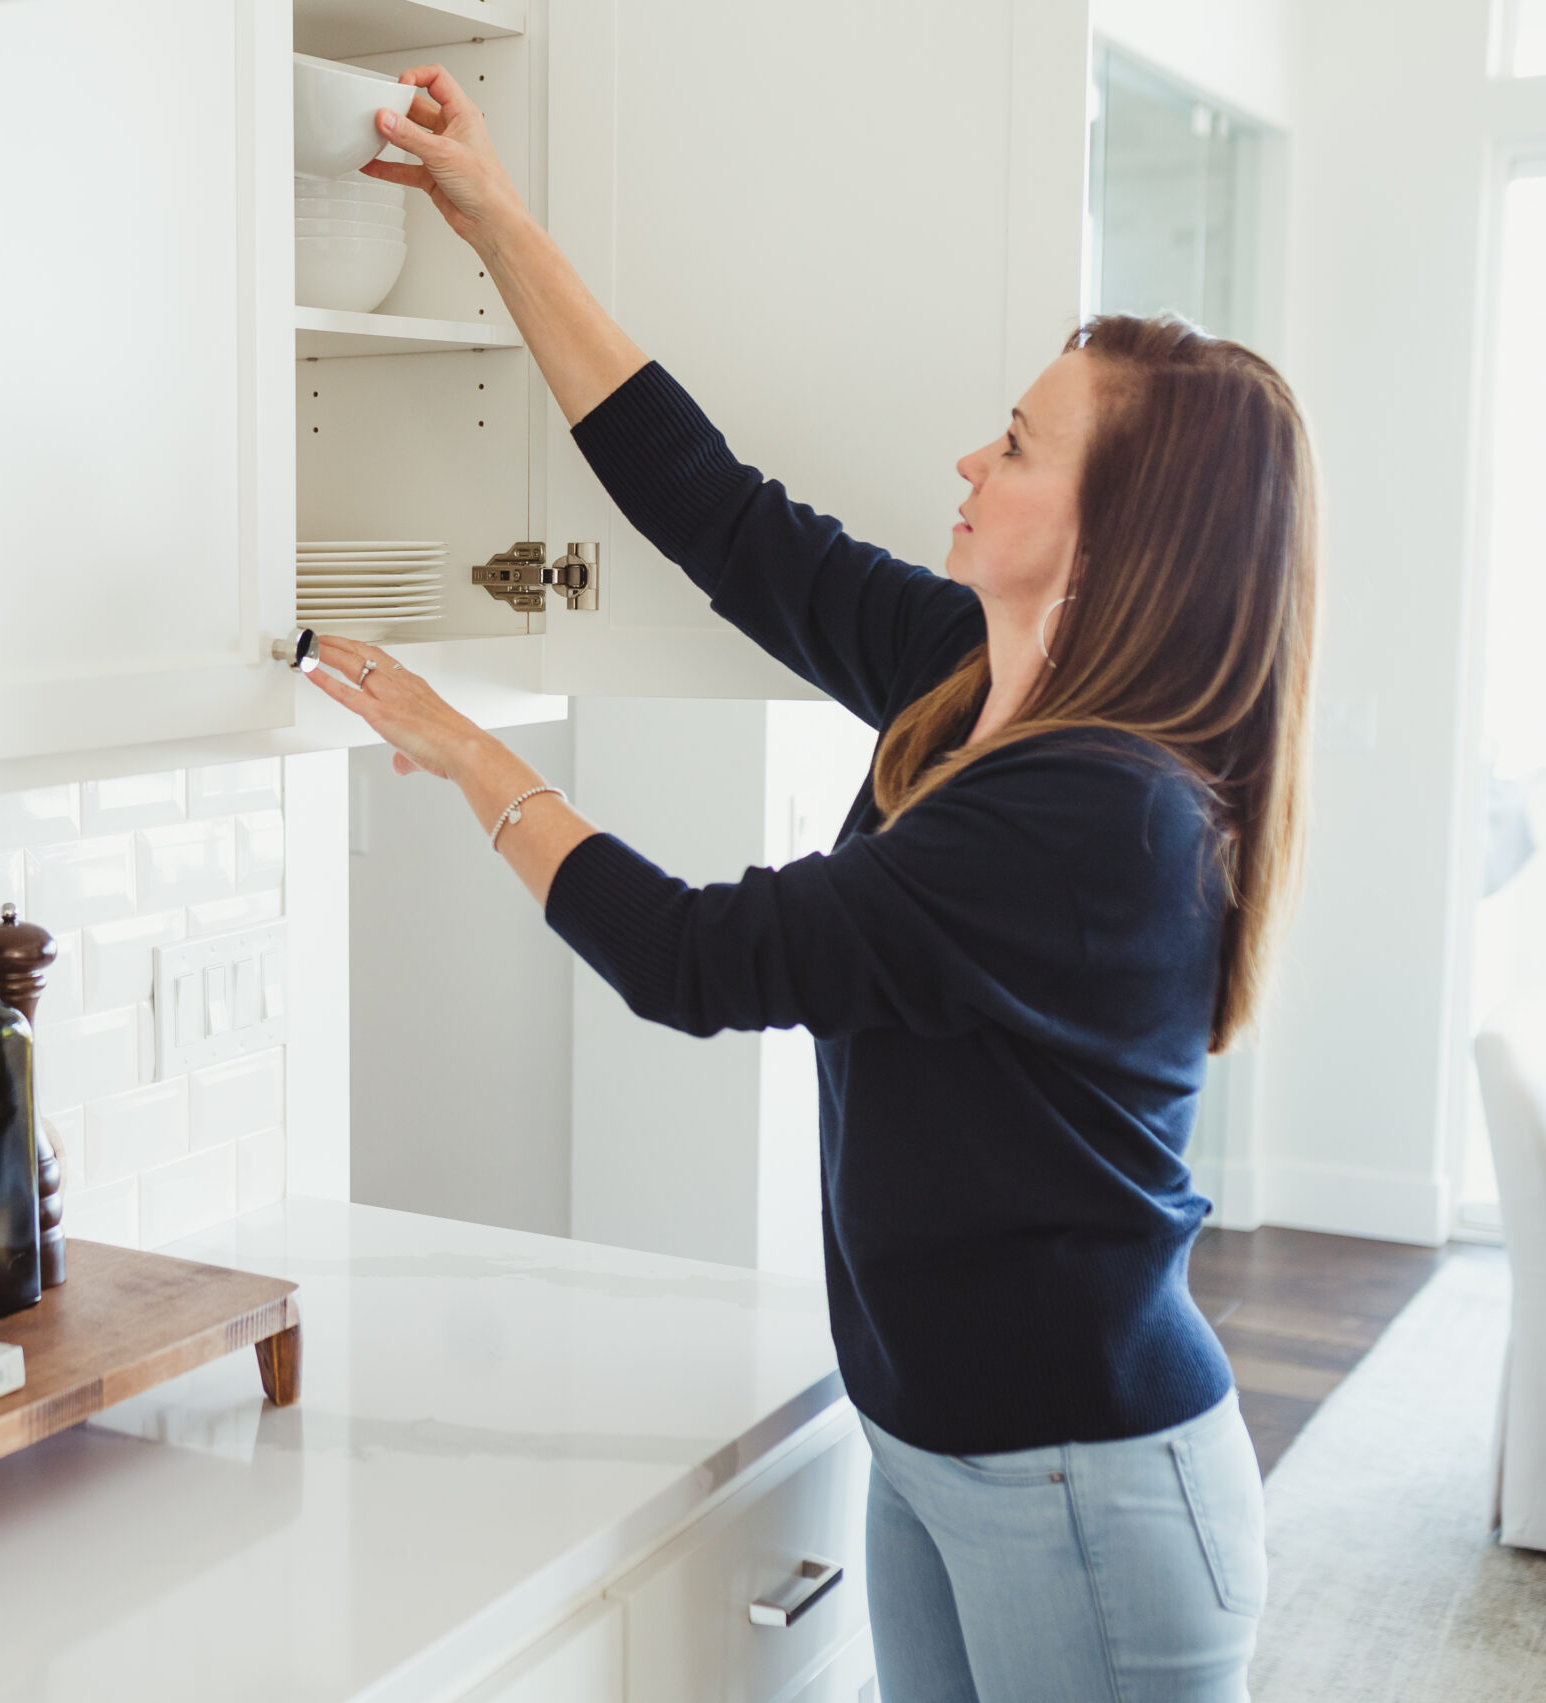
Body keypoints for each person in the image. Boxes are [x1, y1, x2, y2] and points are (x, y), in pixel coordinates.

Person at [309, 67, 1321, 1703]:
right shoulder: (963, 677)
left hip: (1085, 1484)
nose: (970, 460)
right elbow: (713, 510)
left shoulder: (1095, 812)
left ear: (1116, 532)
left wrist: (466, 753)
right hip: (934, 1443)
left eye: (1017, 444)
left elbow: (697, 959)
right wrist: (490, 215)